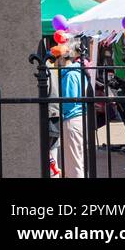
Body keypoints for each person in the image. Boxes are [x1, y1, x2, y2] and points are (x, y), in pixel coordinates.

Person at [56, 41, 86, 178]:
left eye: (56, 58)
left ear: (62, 58)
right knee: (76, 160)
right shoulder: (78, 72)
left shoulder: (70, 75)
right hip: (78, 118)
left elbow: (69, 101)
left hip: (71, 118)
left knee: (73, 163)